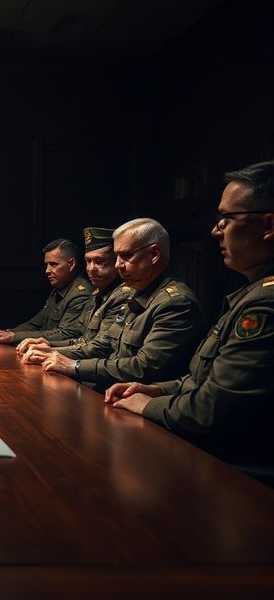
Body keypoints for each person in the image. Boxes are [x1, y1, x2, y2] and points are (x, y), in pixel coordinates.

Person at [105, 162, 274, 474]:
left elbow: (211, 410)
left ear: (268, 225)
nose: (215, 231)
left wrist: (149, 405)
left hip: (234, 469)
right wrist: (158, 390)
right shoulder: (250, 293)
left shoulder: (264, 304)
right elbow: (201, 379)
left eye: (226, 219)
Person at [41, 218, 205, 391]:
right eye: (116, 256)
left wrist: (75, 366)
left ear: (154, 254)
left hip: (135, 398)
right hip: (109, 389)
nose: (118, 265)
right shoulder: (135, 291)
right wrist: (51, 351)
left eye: (126, 256)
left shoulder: (176, 303)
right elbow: (103, 344)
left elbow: (143, 367)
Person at [18, 227, 131, 363]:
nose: (91, 269)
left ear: (117, 263)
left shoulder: (121, 296)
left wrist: (51, 350)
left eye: (99, 262)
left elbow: (100, 347)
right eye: (88, 261)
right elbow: (83, 340)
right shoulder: (97, 294)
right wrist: (48, 344)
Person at [0, 239, 92, 345]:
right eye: (47, 265)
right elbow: (35, 323)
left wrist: (14, 337)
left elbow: (64, 334)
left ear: (71, 264)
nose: (47, 270)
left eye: (53, 264)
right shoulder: (59, 288)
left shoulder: (80, 294)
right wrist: (10, 333)